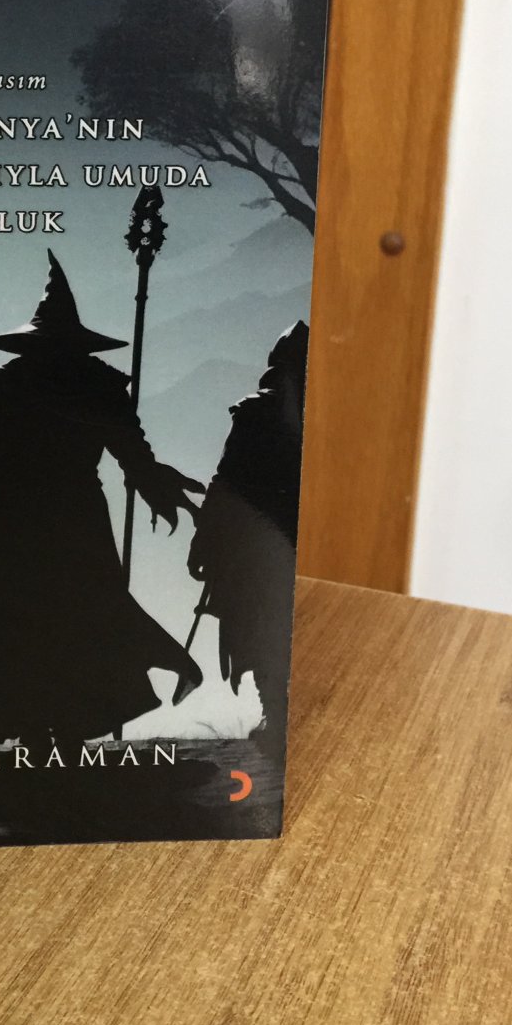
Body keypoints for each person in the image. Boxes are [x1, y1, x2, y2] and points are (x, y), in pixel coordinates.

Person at [0, 251, 204, 747]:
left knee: (53, 616)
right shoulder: (85, 384)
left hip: (26, 520)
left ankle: (55, 726)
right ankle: (51, 726)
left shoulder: (22, 384)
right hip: (60, 518)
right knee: (73, 613)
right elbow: (132, 454)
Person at [187, 321, 309, 757]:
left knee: (260, 627)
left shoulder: (255, 414)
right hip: (286, 539)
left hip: (258, 543)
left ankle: (276, 713)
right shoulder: (323, 413)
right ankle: (281, 713)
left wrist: (204, 542)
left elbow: (225, 482)